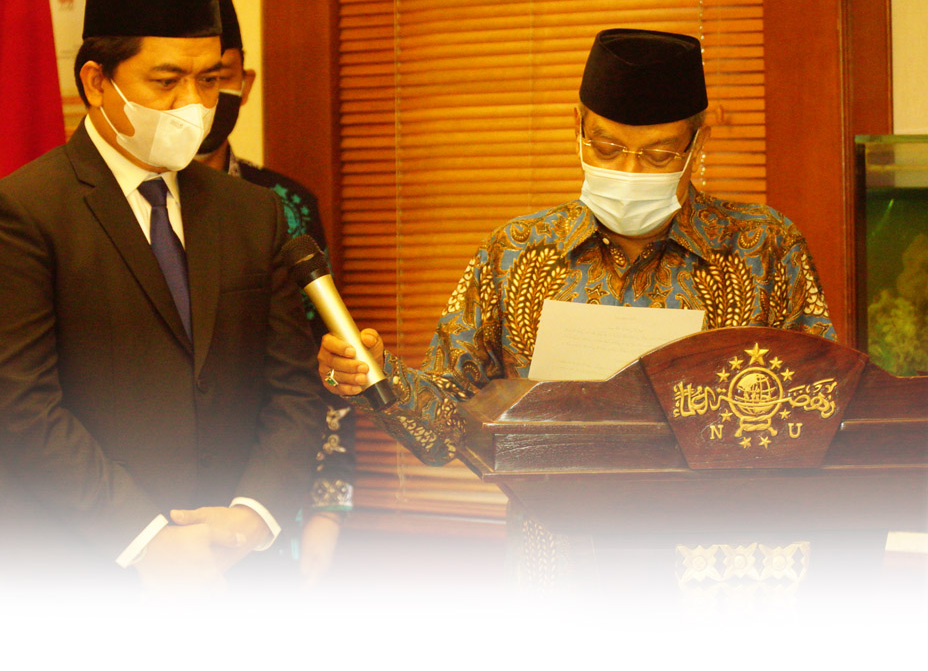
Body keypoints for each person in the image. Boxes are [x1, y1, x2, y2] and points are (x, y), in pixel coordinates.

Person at [0, 0, 326, 591]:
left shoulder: (252, 212)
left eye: (209, 80)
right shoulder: (18, 213)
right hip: (72, 571)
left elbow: (292, 386)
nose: (193, 104)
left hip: (229, 568)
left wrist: (253, 516)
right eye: (166, 81)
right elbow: (19, 404)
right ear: (96, 82)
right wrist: (148, 539)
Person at [317, 28, 836, 466]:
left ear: (697, 143)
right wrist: (376, 376)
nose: (629, 170)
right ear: (578, 128)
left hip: (706, 541)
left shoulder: (763, 247)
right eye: (606, 148)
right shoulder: (516, 252)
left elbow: (820, 407)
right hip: (555, 542)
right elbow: (446, 432)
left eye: (658, 156)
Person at [194, 0, 355, 585]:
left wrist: (329, 506)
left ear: (246, 83)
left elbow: (325, 355)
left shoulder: (283, 205)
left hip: (265, 491)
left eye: (219, 77)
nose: (203, 96)